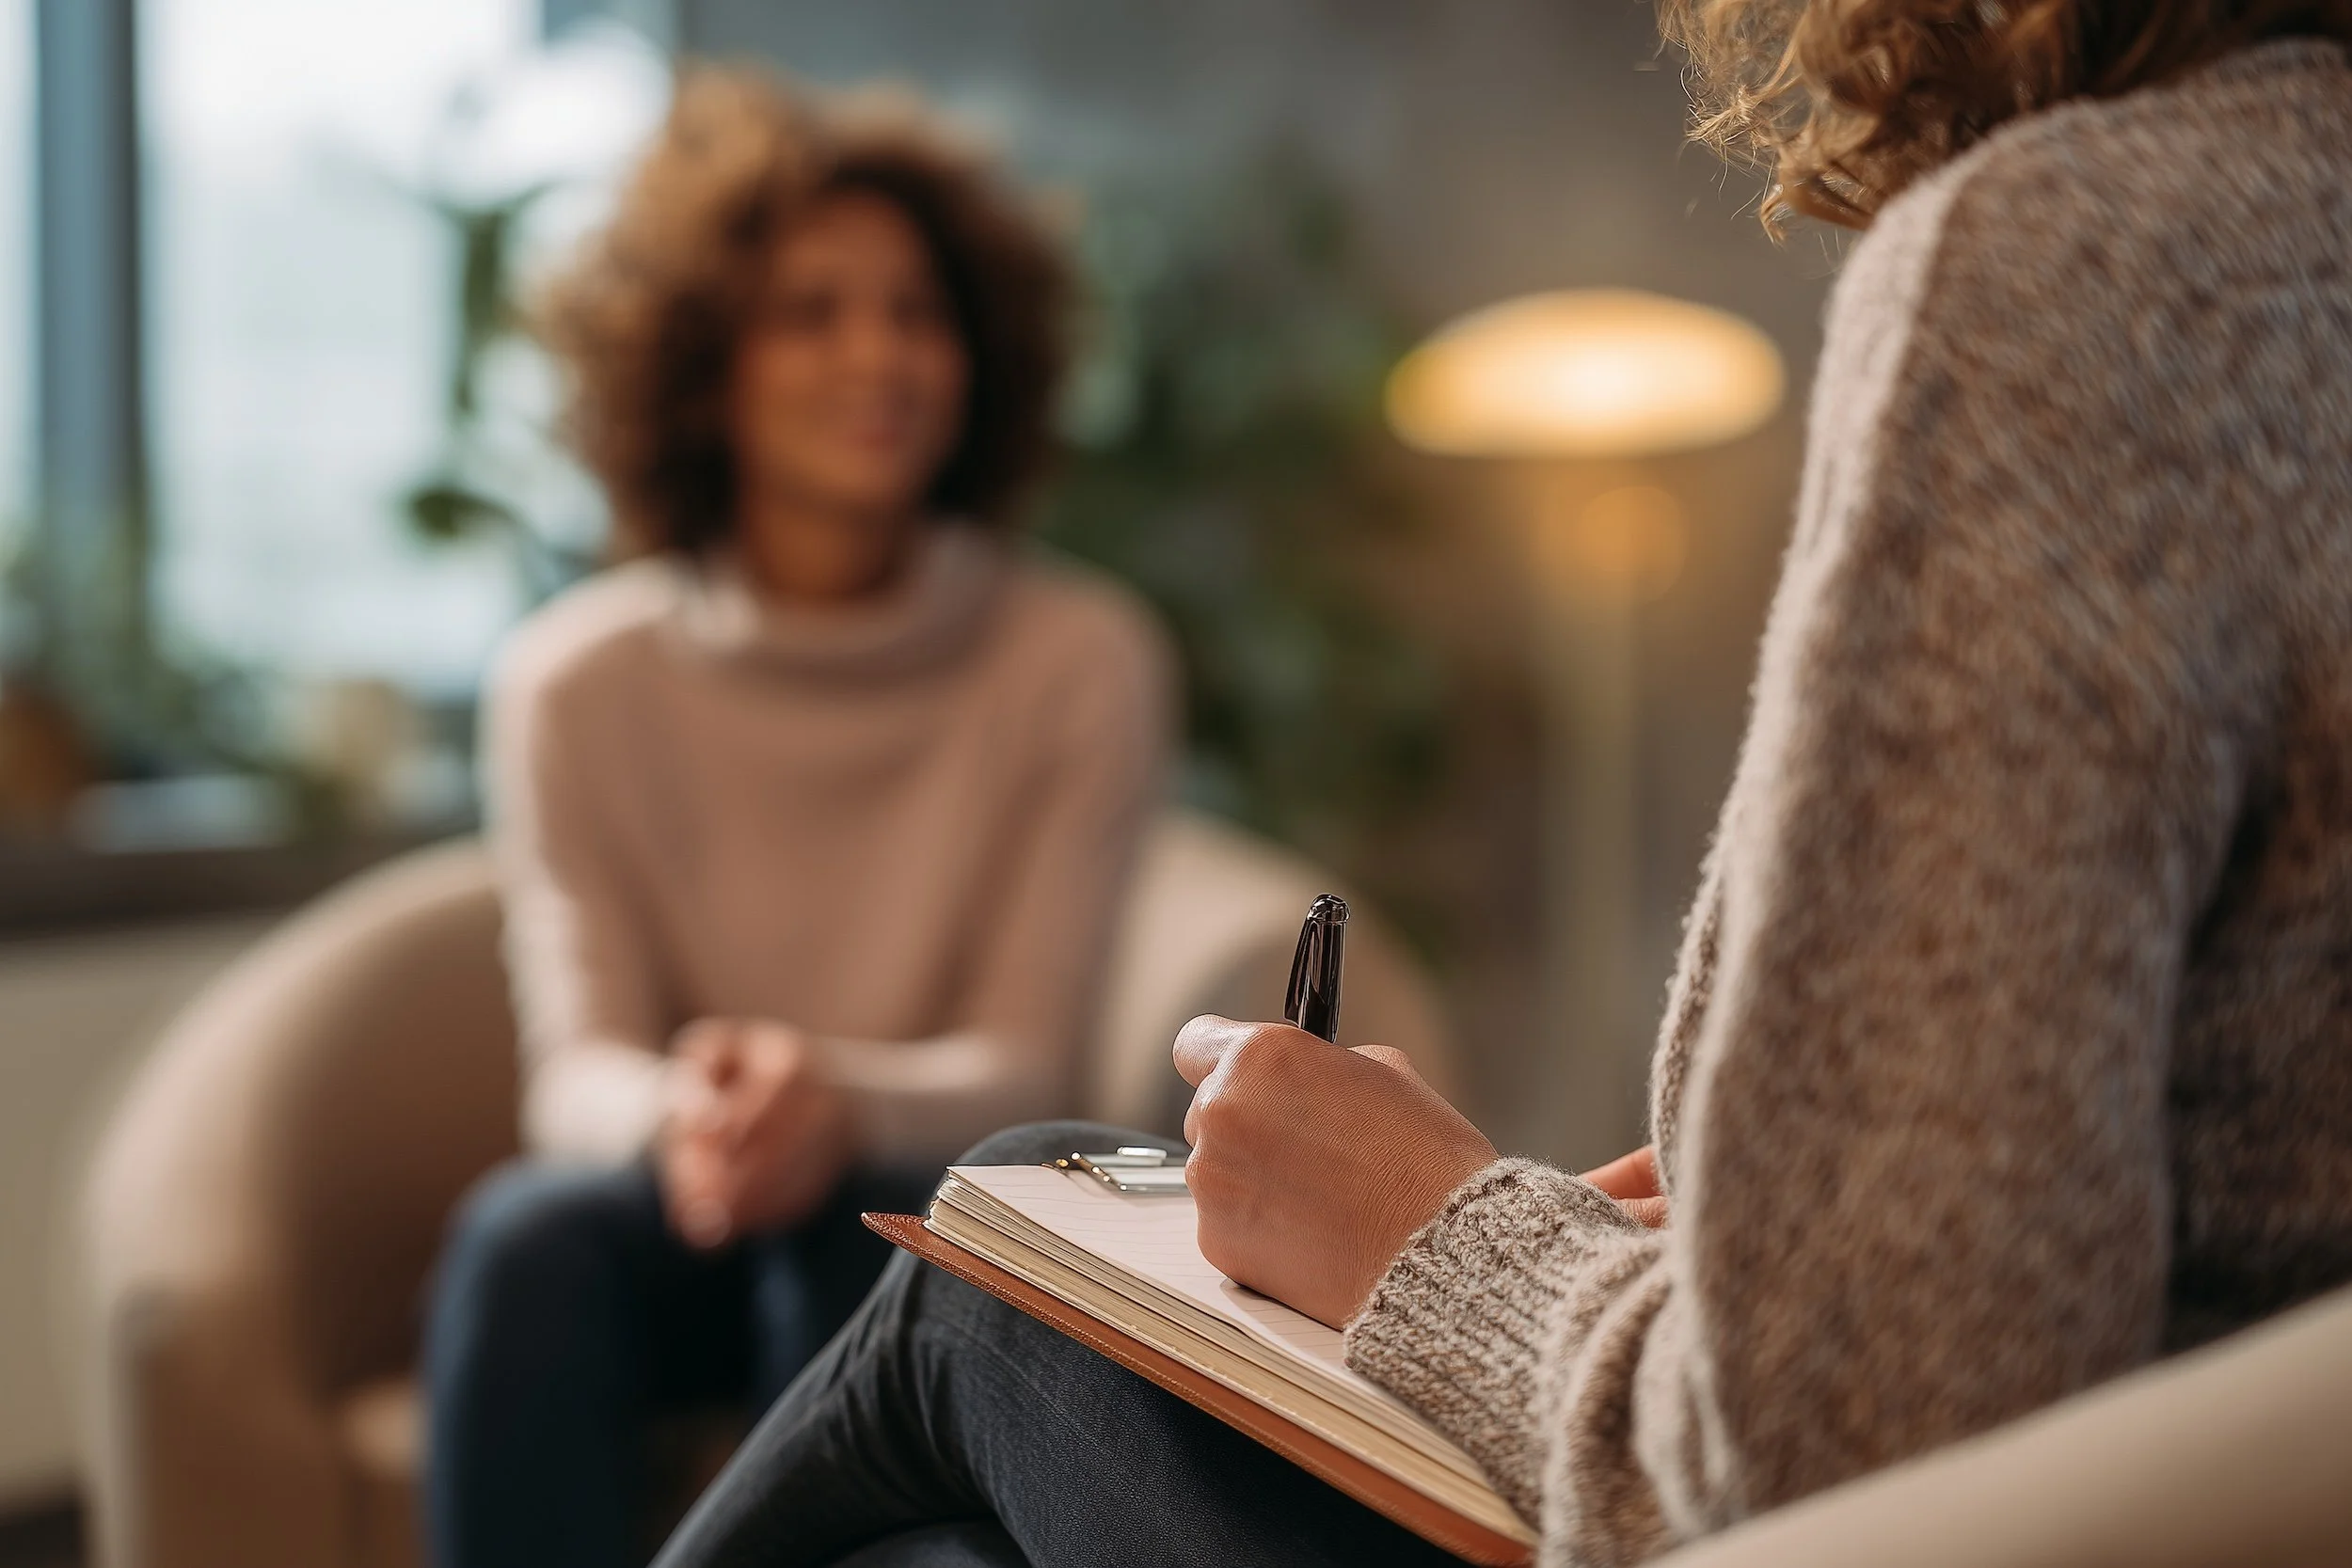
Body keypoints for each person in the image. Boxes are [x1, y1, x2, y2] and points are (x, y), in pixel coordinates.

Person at [647, 8, 2352, 1568]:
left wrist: (1428, 1230)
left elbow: (1842, 1448)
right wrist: (1813, 1211)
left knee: (998, 1272)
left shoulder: (2074, 262)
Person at [420, 68, 1171, 1568]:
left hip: (917, 1192)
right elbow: (575, 1073)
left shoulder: (1078, 658)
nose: (879, 354)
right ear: (700, 367)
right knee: (524, 1238)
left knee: (874, 1220)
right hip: (681, 1206)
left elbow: (1031, 1062)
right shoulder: (577, 680)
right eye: (810, 311)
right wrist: (702, 1115)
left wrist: (833, 1101)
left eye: (917, 311)